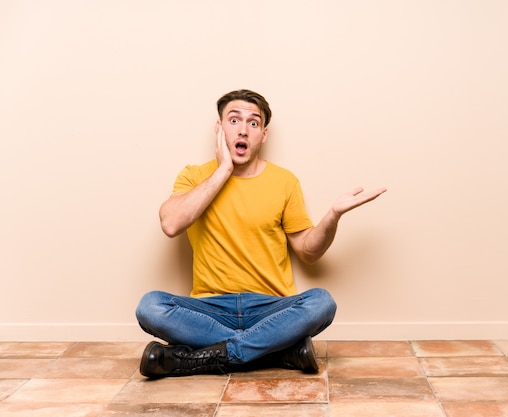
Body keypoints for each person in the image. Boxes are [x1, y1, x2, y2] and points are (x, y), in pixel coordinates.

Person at [135, 89, 386, 378]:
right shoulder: (194, 175)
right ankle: (277, 351)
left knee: (322, 302)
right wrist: (224, 169)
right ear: (219, 128)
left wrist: (333, 216)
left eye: (253, 123)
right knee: (150, 306)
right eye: (234, 120)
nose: (243, 129)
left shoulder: (284, 181)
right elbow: (171, 224)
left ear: (263, 134)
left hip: (270, 308)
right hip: (209, 308)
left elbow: (308, 251)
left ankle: (207, 356)